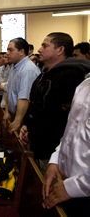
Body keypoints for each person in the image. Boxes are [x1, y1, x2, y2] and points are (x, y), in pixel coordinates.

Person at [19, 32, 90, 173]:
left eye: (45, 45)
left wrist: (33, 135)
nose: (39, 49)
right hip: (37, 143)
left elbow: (60, 117)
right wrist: (26, 124)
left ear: (60, 50)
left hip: (53, 151)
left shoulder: (71, 75)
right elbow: (35, 103)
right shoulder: (45, 73)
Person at [42, 73, 90, 217]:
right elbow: (72, 130)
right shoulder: (85, 84)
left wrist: (75, 187)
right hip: (65, 183)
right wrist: (56, 159)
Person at [3, 37, 41, 133]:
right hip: (15, 115)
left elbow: (24, 98)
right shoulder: (15, 67)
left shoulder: (27, 70)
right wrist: (7, 111)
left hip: (24, 119)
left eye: (10, 50)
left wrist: (17, 121)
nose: (7, 53)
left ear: (21, 52)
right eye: (7, 49)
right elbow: (9, 91)